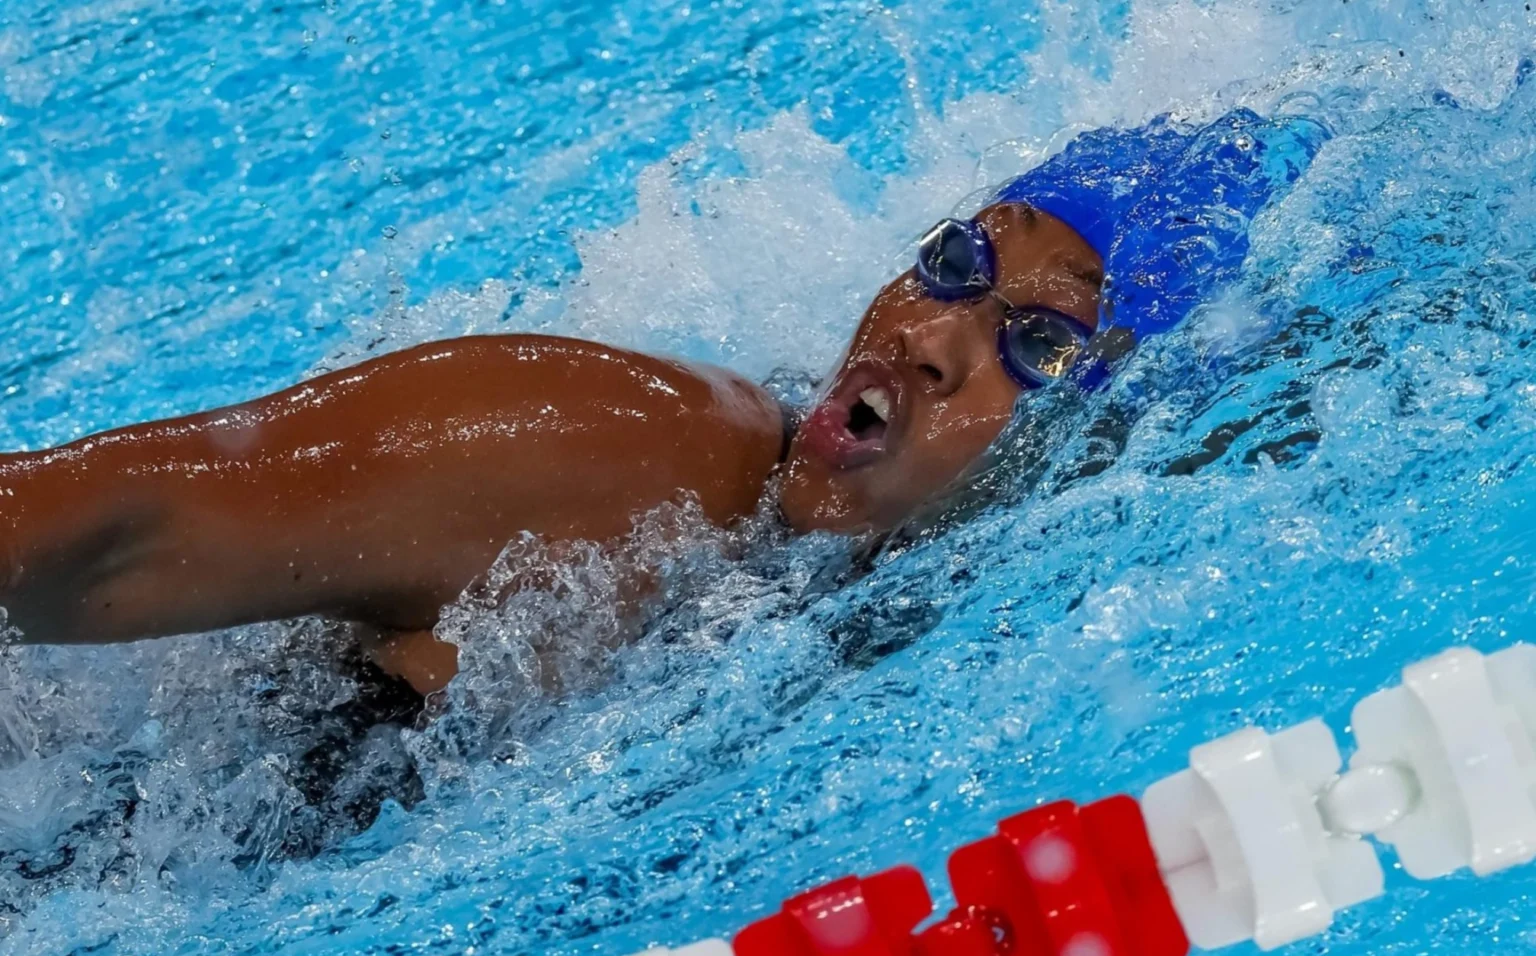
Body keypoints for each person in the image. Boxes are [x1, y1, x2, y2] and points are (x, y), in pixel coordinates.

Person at [0, 109, 1329, 696]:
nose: (930, 339)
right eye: (953, 264)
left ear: (1105, 431)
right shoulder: (631, 447)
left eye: (1035, 341)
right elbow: (122, 515)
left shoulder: (961, 606)